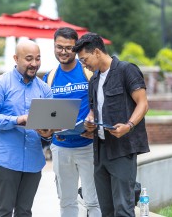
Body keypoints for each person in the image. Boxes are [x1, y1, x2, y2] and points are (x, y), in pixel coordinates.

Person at [72, 33, 150, 217]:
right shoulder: (94, 80)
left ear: (97, 52)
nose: (84, 64)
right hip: (100, 152)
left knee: (123, 208)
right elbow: (94, 110)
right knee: (105, 210)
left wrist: (129, 125)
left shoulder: (126, 70)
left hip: (122, 149)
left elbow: (143, 103)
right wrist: (89, 122)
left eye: (85, 59)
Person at [0, 40, 53, 217]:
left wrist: (48, 133)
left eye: (37, 58)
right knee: (4, 211)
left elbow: (49, 124)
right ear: (16, 58)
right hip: (7, 160)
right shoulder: (0, 84)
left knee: (25, 211)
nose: (34, 64)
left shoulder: (44, 89)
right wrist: (17, 120)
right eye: (29, 59)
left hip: (33, 161)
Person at [43, 27, 101, 217]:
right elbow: (45, 113)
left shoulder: (89, 71)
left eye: (68, 48)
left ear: (75, 48)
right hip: (60, 146)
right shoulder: (49, 78)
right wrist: (45, 128)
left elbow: (103, 103)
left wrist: (94, 119)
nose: (63, 51)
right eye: (59, 47)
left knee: (93, 200)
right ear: (54, 46)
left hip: (88, 145)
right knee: (66, 201)